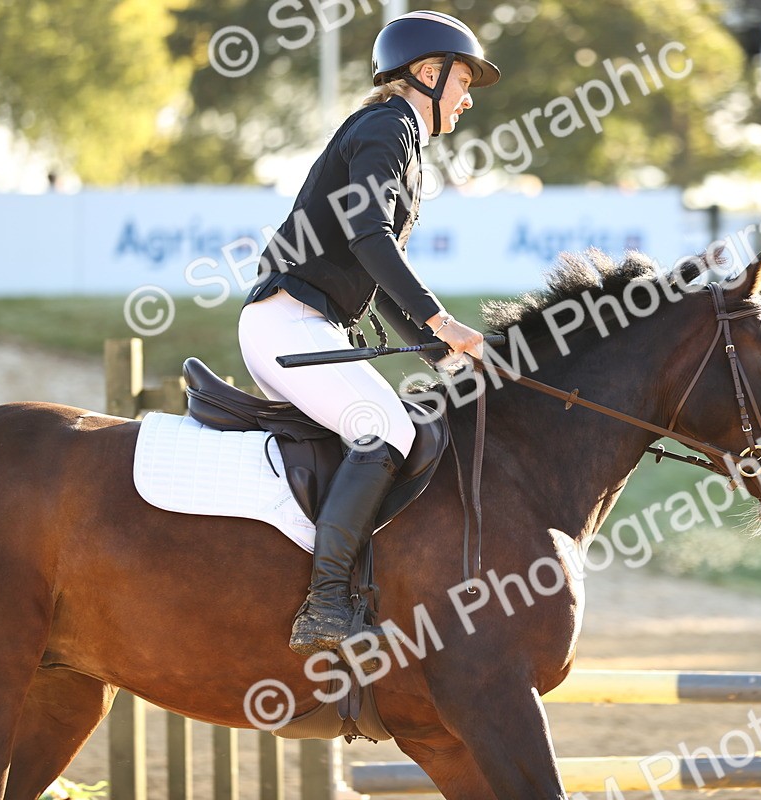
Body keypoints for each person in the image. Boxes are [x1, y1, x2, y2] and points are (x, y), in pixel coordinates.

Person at [238, 10, 498, 657]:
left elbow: (373, 273)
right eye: (462, 81)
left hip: (301, 324)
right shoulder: (388, 126)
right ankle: (326, 605)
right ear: (428, 73)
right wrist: (440, 318)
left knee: (396, 424)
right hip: (286, 322)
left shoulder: (398, 134)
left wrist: (444, 353)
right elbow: (368, 237)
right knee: (386, 429)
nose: (466, 98)